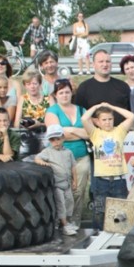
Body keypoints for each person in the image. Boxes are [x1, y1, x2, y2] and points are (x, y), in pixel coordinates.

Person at [81, 102, 134, 230]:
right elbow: (84, 118)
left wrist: (112, 107)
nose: (107, 122)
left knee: (120, 211)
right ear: (98, 122)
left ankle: (118, 235)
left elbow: (131, 116)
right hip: (101, 181)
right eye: (104, 120)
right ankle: (98, 234)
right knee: (100, 211)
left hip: (118, 180)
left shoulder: (119, 131)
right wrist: (96, 106)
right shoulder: (95, 133)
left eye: (110, 119)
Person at [45, 79, 90, 228]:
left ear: (72, 93)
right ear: (56, 95)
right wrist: (79, 132)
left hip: (81, 156)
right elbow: (56, 135)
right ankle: (62, 222)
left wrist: (70, 130)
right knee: (64, 192)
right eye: (61, 92)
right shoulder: (52, 111)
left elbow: (90, 133)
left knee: (78, 192)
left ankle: (75, 222)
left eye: (67, 92)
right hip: (60, 158)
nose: (65, 95)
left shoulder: (82, 110)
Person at [35, 124, 78, 236]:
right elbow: (37, 158)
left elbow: (73, 167)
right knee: (61, 204)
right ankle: (64, 225)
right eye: (52, 140)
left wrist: (75, 181)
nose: (56, 142)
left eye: (58, 139)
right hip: (57, 184)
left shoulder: (68, 152)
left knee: (70, 202)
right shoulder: (47, 151)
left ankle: (65, 222)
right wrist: (43, 162)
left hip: (67, 183)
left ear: (63, 138)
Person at [75, 49, 131, 126]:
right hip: (95, 134)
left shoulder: (123, 86)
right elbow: (79, 113)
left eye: (107, 61)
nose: (105, 64)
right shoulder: (84, 88)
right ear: (93, 64)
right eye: (101, 61)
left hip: (121, 134)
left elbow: (130, 111)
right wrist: (96, 122)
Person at [14, 71, 49, 138]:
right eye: (28, 84)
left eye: (34, 83)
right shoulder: (23, 99)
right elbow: (16, 123)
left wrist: (40, 124)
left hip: (45, 134)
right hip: (27, 135)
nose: (32, 86)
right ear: (25, 85)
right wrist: (23, 124)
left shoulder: (48, 99)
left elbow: (55, 123)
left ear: (40, 84)